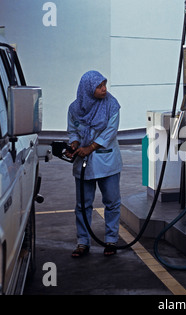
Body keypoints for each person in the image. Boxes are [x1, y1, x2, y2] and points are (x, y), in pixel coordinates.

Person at [66, 70, 123, 257]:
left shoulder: (111, 105)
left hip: (107, 161)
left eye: (104, 85)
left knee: (112, 202)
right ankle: (83, 242)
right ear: (88, 88)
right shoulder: (75, 108)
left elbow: (110, 132)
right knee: (83, 204)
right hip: (84, 162)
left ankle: (111, 240)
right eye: (99, 86)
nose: (104, 89)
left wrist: (90, 148)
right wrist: (74, 144)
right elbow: (73, 129)